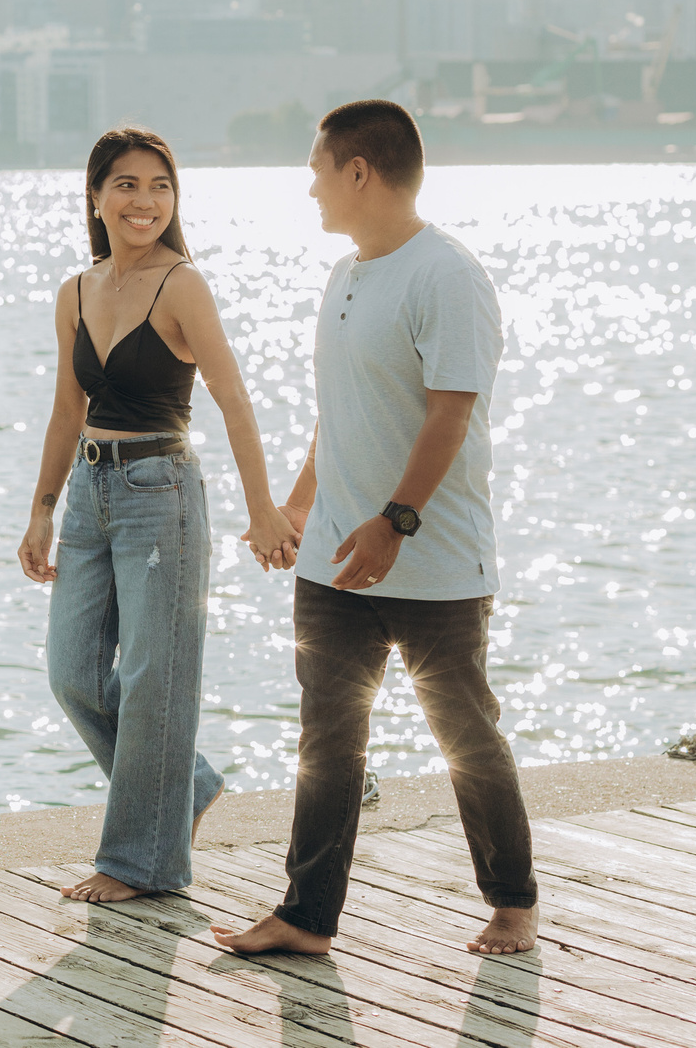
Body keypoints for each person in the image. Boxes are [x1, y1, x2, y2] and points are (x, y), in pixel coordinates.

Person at [213, 99, 538, 958]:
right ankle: (306, 915)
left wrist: (395, 521)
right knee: (328, 739)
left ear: (358, 171)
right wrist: (297, 505)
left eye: (318, 170)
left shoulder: (447, 274)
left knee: (465, 733)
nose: (311, 188)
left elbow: (451, 412)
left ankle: (513, 903)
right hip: (333, 561)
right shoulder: (345, 274)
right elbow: (339, 414)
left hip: (433, 562)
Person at [19, 127, 299, 902]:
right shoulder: (76, 291)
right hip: (90, 492)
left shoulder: (182, 285)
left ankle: (141, 863)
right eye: (127, 184)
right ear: (96, 196)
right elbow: (66, 410)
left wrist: (263, 508)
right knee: (73, 673)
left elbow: (233, 398)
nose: (145, 200)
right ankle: (188, 785)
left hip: (161, 491)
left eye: (160, 185)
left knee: (153, 680)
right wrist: (42, 510)